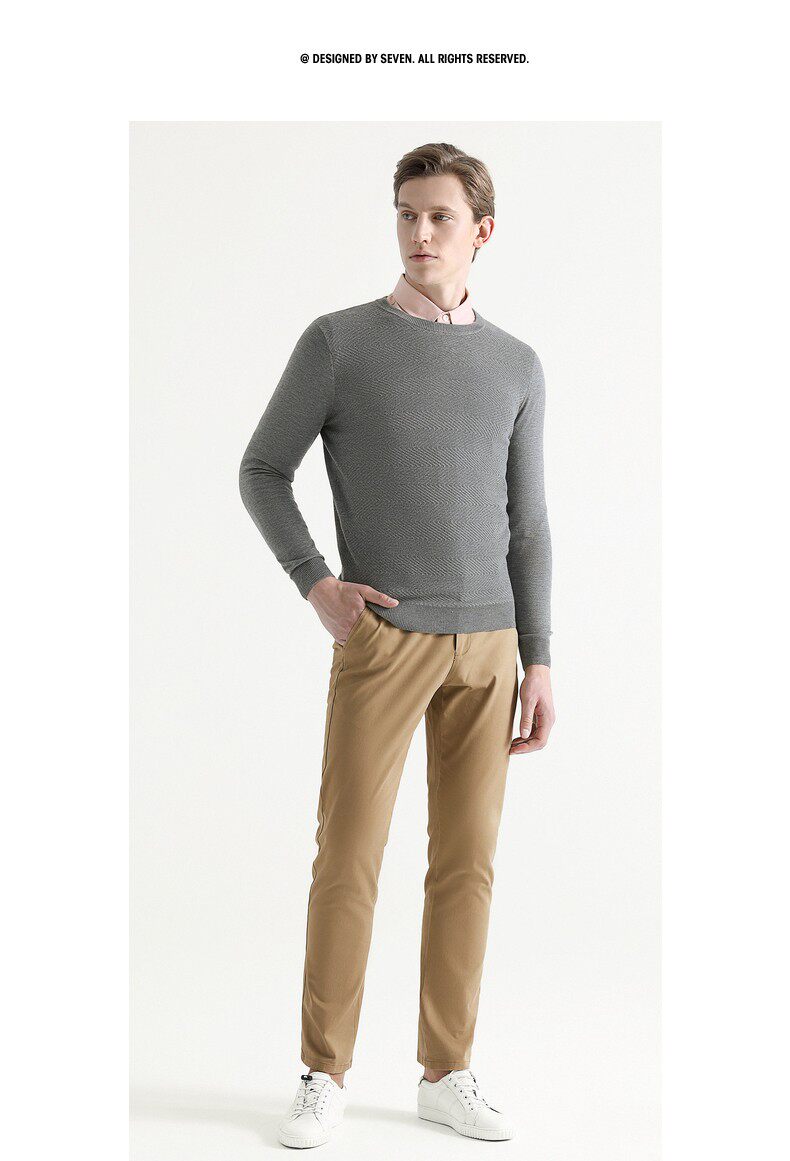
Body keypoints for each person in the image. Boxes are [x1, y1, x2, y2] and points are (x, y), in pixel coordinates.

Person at [239, 142, 556, 1148]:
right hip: (384, 640)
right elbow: (261, 468)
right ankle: (321, 1072)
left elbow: (528, 523)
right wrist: (315, 581)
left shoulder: (515, 363)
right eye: (407, 214)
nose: (420, 232)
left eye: (440, 216)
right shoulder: (340, 342)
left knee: (467, 864)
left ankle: (445, 1070)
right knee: (349, 857)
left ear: (482, 232)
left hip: (490, 642)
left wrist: (539, 656)